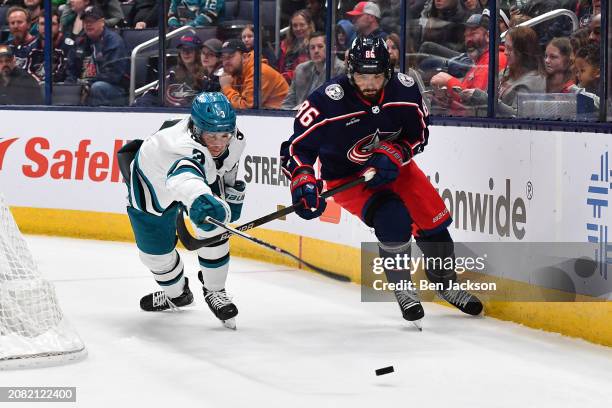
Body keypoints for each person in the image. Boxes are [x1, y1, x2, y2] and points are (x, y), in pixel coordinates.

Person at [279, 35, 483, 326]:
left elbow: (420, 134)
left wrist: (394, 151)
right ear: (351, 71)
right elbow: (297, 149)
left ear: (387, 72)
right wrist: (302, 180)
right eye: (363, 76)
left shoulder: (406, 89)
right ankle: (403, 286)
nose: (371, 84)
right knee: (393, 220)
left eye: (377, 76)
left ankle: (447, 284)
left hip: (397, 167)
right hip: (347, 177)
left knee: (435, 226)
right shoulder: (326, 101)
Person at [122, 92, 245, 329]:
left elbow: (226, 168)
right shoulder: (174, 146)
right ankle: (177, 295)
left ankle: (215, 290)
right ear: (197, 130)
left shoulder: (236, 138)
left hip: (199, 178)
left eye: (224, 135)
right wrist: (200, 199)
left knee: (213, 230)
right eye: (211, 135)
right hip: (152, 187)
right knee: (154, 256)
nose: (219, 143)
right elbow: (184, 178)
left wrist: (228, 193)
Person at [429, 12, 508, 114]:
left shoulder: (496, 59)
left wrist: (448, 81)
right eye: (466, 35)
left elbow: (478, 104)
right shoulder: (479, 61)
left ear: (488, 36)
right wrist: (448, 101)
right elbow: (466, 103)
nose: (468, 40)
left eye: (473, 34)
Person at [463, 26, 545, 117]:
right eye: (505, 47)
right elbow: (484, 102)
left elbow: (518, 117)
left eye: (509, 49)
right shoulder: (505, 73)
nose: (505, 52)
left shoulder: (533, 82)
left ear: (523, 52)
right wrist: (470, 99)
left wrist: (485, 99)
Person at [65, 5, 129, 106]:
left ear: (102, 22)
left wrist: (87, 84)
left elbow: (112, 75)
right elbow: (71, 69)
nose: (88, 25)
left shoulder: (114, 41)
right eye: (86, 22)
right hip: (85, 85)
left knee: (97, 87)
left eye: (92, 21)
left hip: (115, 89)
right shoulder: (80, 41)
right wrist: (70, 85)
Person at [282, 32, 344, 110]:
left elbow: (336, 105)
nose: (316, 51)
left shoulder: (341, 70)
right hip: (297, 117)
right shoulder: (301, 69)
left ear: (333, 50)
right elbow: (288, 103)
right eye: (312, 48)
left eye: (320, 46)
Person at [219, 39, 289, 109]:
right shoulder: (235, 72)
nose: (226, 61)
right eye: (223, 57)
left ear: (244, 57)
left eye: (230, 56)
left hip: (282, 116)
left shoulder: (259, 72)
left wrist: (226, 88)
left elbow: (247, 108)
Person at [26, 8, 67, 83]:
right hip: (35, 90)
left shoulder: (68, 47)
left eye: (52, 24)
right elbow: (26, 73)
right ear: (37, 26)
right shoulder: (31, 47)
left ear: (60, 26)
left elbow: (66, 75)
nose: (47, 28)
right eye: (42, 24)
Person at [277, 9, 314, 83]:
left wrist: (283, 77)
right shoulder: (285, 44)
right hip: (284, 84)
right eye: (295, 25)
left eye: (302, 25)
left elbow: (308, 71)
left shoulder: (314, 45)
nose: (298, 28)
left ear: (309, 26)